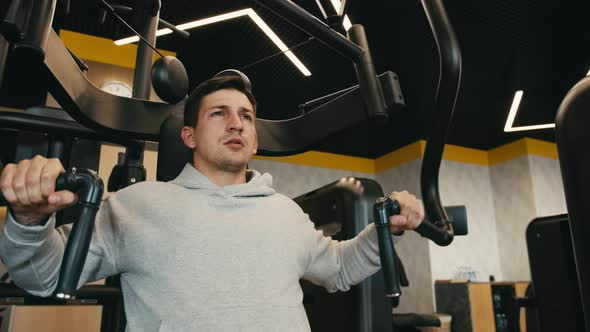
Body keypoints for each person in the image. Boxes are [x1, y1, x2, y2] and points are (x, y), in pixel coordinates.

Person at [0, 75, 424, 331]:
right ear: (189, 136)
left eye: (245, 116)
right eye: (218, 113)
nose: (236, 122)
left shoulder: (285, 212)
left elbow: (338, 268)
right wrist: (28, 219)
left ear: (254, 139)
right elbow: (46, 277)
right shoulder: (135, 205)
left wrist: (387, 231)